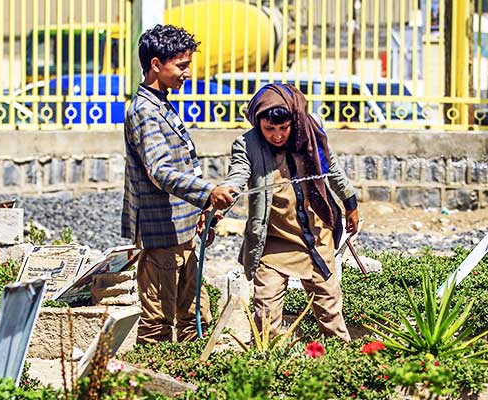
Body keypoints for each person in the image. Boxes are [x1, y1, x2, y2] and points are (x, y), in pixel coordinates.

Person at [122, 24, 237, 344]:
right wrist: (207, 193)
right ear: (156, 64)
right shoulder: (145, 111)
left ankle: (188, 376)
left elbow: (182, 163)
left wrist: (204, 208)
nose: (187, 73)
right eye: (181, 65)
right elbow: (160, 170)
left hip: (183, 228)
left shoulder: (161, 103)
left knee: (193, 316)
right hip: (162, 232)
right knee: (158, 321)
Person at [221, 83, 359, 341]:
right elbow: (237, 177)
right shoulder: (247, 144)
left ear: (293, 121)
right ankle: (271, 370)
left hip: (316, 237)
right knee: (266, 317)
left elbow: (334, 171)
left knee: (330, 311)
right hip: (274, 242)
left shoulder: (310, 132)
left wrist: (350, 205)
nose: (276, 135)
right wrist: (222, 198)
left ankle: (343, 364)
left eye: (283, 128)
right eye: (269, 129)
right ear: (258, 123)